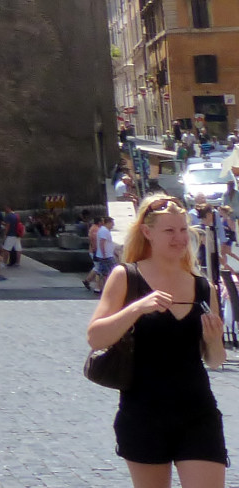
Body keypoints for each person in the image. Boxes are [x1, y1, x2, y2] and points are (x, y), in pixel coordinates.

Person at [88, 194, 227, 483]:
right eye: (169, 231)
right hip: (143, 413)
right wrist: (137, 308)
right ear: (147, 232)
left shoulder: (202, 287)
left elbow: (214, 361)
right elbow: (96, 338)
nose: (178, 238)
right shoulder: (125, 277)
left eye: (182, 230)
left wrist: (214, 341)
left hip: (197, 411)